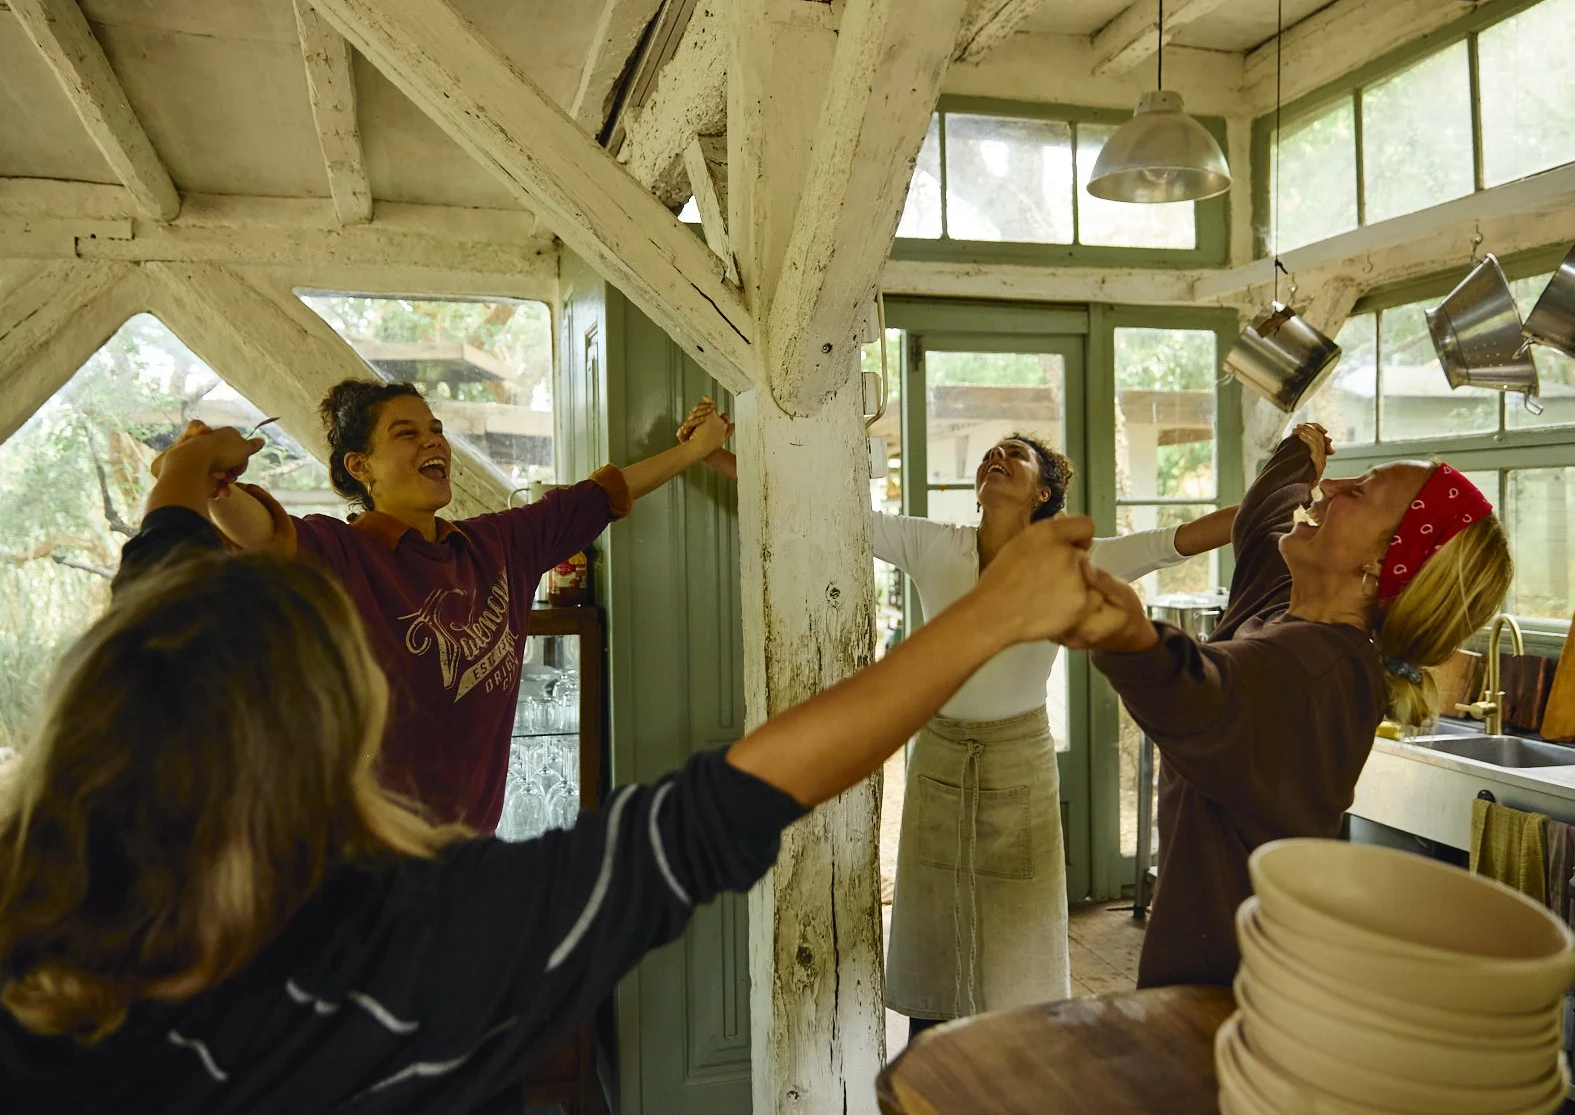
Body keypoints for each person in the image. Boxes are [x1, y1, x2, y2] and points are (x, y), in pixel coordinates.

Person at [0, 423, 1129, 1114]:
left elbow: (158, 580)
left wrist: (182, 473)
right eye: (404, 430)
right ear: (332, 735)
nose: (430, 440)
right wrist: (985, 619)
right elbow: (713, 810)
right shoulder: (417, 945)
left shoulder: (34, 952)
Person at [676, 399, 1239, 1030]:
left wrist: (1288, 502)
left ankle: (1016, 1060)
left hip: (1019, 758)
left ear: (1043, 493)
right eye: (990, 456)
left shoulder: (1074, 558)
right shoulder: (931, 543)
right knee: (935, 925)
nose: (996, 459)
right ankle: (929, 1058)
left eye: (1015, 456)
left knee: (1018, 925)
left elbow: (1177, 541)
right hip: (940, 753)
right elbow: (826, 513)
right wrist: (714, 455)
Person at [152, 382, 731, 832]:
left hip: (463, 865)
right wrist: (213, 482)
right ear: (361, 468)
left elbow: (600, 496)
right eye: (406, 433)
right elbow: (261, 533)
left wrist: (699, 451)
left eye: (436, 429)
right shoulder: (341, 553)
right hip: (357, 869)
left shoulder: (497, 545)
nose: (434, 441)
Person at [1079, 423, 1514, 989]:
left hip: (1234, 999)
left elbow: (1201, 696)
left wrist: (1113, 624)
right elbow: (1263, 519)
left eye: (1357, 492)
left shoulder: (1318, 671)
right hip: (1211, 976)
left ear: (1382, 566)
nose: (1330, 488)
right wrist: (1296, 455)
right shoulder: (1289, 605)